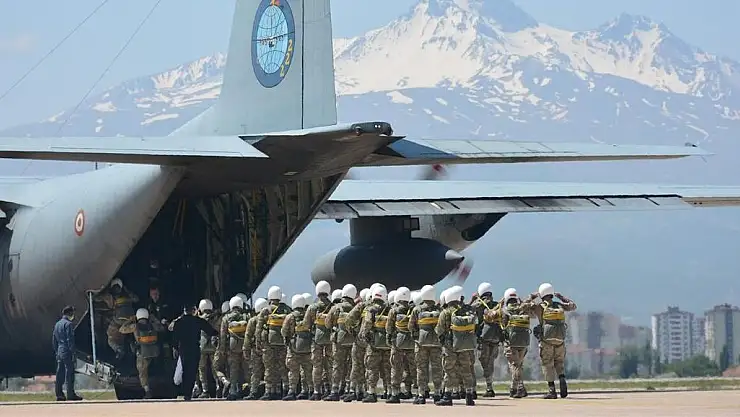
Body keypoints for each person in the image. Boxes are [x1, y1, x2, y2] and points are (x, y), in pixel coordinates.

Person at [531, 283, 577, 399]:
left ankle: (552, 390)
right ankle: (562, 378)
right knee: (559, 363)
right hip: (560, 340)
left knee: (547, 364)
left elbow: (523, 307)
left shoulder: (540, 307)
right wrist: (561, 297)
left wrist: (531, 297)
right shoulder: (559, 306)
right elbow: (573, 306)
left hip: (546, 341)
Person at [435, 285, 476, 406]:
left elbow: (439, 330)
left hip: (450, 346)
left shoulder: (445, 312)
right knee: (466, 370)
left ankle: (447, 396)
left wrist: (443, 341)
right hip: (464, 346)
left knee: (449, 370)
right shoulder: (467, 311)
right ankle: (469, 396)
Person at [170, 304, 218, 401]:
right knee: (192, 370)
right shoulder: (198, 320)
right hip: (194, 348)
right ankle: (189, 392)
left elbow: (174, 337)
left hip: (183, 349)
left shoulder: (179, 322)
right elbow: (210, 331)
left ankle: (185, 392)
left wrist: (175, 348)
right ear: (193, 311)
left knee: (185, 370)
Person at [120, 308, 165, 399]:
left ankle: (147, 390)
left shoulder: (135, 326)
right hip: (154, 352)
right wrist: (154, 319)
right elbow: (162, 328)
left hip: (142, 353)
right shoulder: (153, 325)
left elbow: (121, 329)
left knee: (142, 373)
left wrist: (130, 320)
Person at [408, 285, 443, 404]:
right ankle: (437, 393)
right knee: (437, 368)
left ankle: (421, 394)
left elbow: (410, 326)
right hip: (436, 344)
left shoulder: (417, 309)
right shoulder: (439, 310)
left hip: (421, 343)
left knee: (421, 369)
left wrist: (416, 336)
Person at [256, 285, 292, 400]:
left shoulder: (266, 310)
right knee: (283, 367)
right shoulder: (287, 310)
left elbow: (259, 329)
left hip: (269, 344)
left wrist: (258, 342)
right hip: (283, 343)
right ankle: (284, 390)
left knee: (269, 368)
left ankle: (269, 391)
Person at [498, 288, 535, 398]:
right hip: (523, 342)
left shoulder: (505, 311)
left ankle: (520, 388)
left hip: (511, 343)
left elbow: (494, 317)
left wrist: (500, 304)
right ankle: (513, 389)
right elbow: (532, 314)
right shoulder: (523, 309)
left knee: (514, 366)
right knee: (519, 365)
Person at [323, 284, 357, 401]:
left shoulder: (336, 308)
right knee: (351, 366)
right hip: (353, 341)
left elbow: (327, 323)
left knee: (337, 365)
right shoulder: (356, 308)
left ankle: (335, 391)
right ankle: (349, 390)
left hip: (339, 341)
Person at [359, 286, 391, 403]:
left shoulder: (371, 309)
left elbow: (367, 324)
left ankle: (372, 392)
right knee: (388, 368)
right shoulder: (389, 309)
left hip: (373, 344)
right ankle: (389, 391)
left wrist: (365, 336)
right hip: (387, 345)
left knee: (372, 368)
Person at [471, 282, 502, 398]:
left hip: (484, 338)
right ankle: (490, 386)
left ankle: (488, 388)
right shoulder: (497, 304)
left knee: (484, 363)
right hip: (496, 338)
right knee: (490, 363)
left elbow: (467, 309)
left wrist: (473, 299)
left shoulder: (479, 304)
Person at [303, 280, 333, 400]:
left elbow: (306, 324)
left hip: (316, 340)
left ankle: (316, 391)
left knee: (317, 366)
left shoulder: (312, 307)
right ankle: (330, 390)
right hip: (330, 340)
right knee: (330, 365)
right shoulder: (333, 307)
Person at [385, 286, 416, 403]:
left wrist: (390, 339)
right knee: (414, 367)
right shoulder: (414, 310)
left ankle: (395, 393)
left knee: (396, 368)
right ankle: (418, 392)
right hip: (411, 343)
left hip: (397, 343)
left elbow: (389, 327)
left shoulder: (394, 311)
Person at [281, 294, 313, 400]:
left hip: (293, 348)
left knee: (293, 371)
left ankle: (292, 391)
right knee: (308, 371)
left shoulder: (290, 316)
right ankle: (310, 390)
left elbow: (284, 331)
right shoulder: (308, 315)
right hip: (307, 348)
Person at [221, 296, 250, 400]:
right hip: (244, 346)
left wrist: (222, 350)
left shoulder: (226, 318)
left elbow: (223, 336)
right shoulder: (246, 316)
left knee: (233, 370)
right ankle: (249, 390)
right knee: (246, 369)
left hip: (232, 347)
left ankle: (233, 391)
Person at [196, 299, 226, 398]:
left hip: (202, 346)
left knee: (202, 369)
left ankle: (205, 390)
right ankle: (219, 386)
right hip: (213, 346)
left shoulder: (199, 318)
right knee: (215, 368)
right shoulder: (216, 318)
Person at [52, 305, 82, 401]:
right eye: (72, 312)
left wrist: (57, 351)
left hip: (60, 351)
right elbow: (70, 339)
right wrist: (73, 352)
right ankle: (70, 394)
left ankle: (59, 395)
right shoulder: (68, 324)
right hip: (67, 351)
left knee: (59, 373)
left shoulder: (57, 324)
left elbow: (54, 340)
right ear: (69, 313)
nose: (73, 315)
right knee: (69, 373)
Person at [243, 297, 268, 400]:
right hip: (268, 348)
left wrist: (246, 349)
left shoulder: (253, 320)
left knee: (255, 372)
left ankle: (253, 392)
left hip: (256, 349)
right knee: (270, 370)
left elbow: (248, 336)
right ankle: (270, 391)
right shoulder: (269, 318)